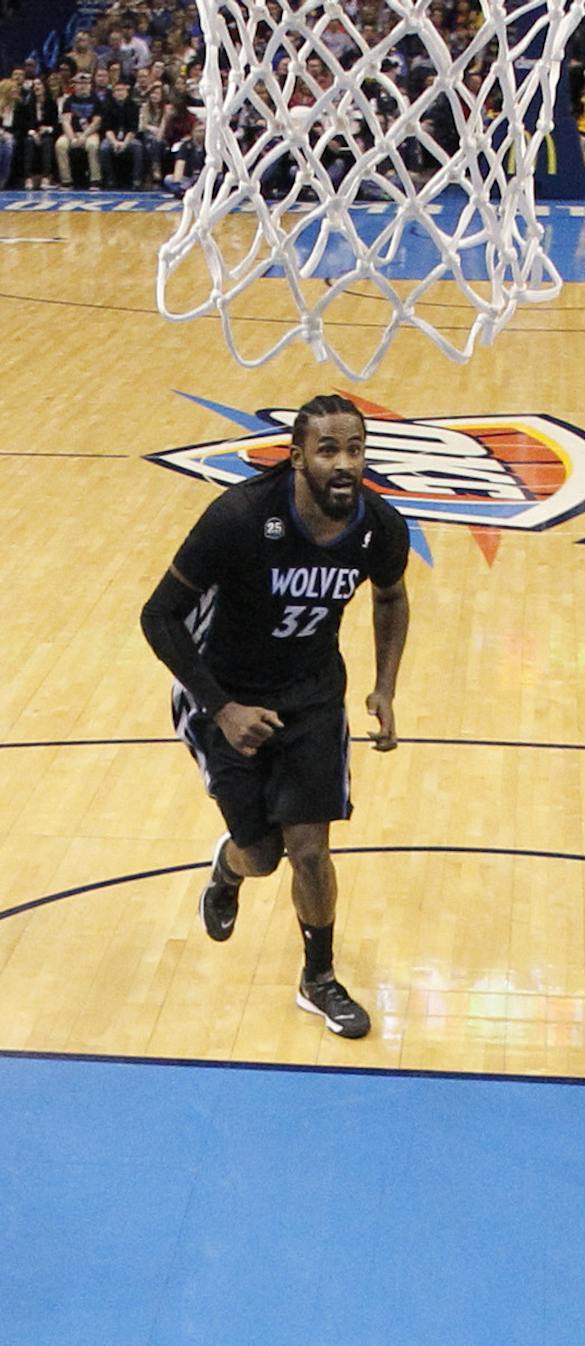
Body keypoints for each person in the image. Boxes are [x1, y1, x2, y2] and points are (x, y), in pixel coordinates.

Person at [138, 393, 410, 1038]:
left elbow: (392, 598)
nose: (345, 463)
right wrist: (223, 708)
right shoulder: (238, 518)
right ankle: (227, 869)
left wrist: (384, 687)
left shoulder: (380, 526)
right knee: (262, 855)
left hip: (313, 695)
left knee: (310, 850)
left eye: (355, 449)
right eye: (328, 450)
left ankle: (319, 978)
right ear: (296, 459)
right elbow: (158, 616)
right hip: (223, 693)